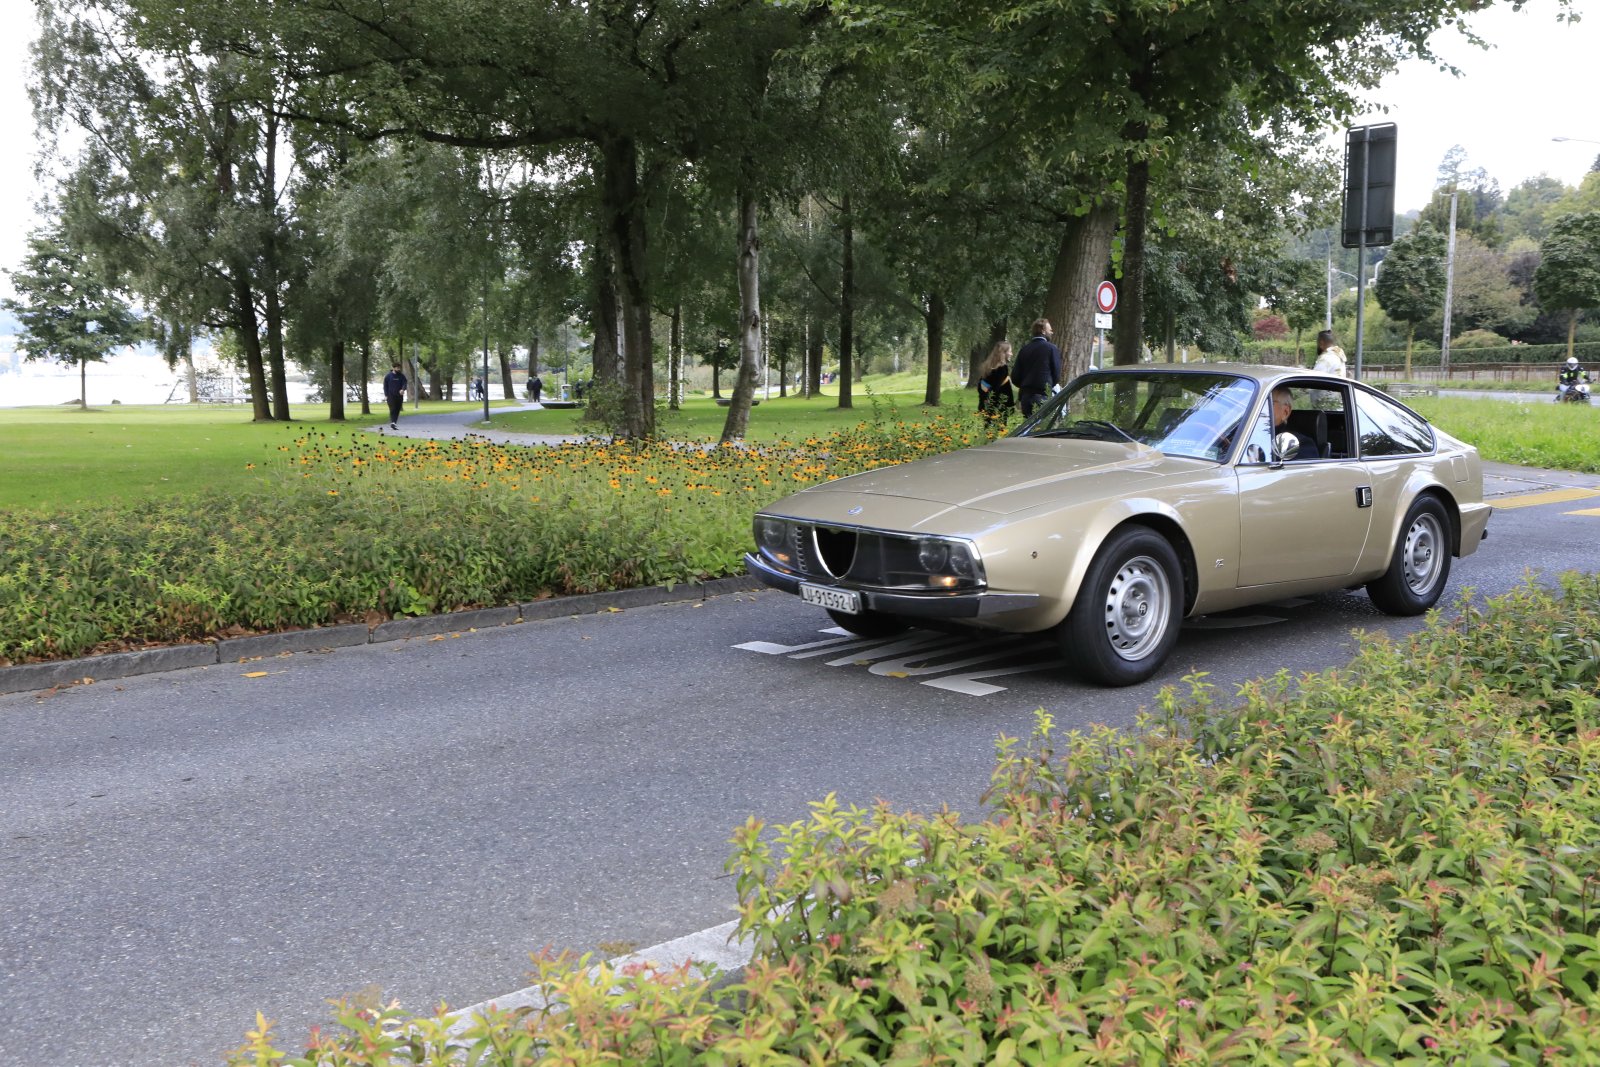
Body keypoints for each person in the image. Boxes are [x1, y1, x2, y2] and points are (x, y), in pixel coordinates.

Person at [1011, 318, 1062, 417]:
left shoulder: (1024, 349)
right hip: (1042, 395)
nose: (1052, 332)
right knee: (1042, 425)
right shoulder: (1051, 348)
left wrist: (1025, 386)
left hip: (1025, 397)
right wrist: (1048, 386)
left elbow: (1015, 376)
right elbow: (1056, 374)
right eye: (1050, 330)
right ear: (1043, 330)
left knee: (1028, 425)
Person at [1271, 386, 1318, 461]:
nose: (1259, 408)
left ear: (1285, 412)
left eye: (1268, 402)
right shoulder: (1252, 433)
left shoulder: (1300, 445)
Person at [976, 341, 1015, 421]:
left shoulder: (988, 368)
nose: (1011, 354)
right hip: (999, 408)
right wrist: (1009, 406)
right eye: (1010, 351)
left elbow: (982, 386)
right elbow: (1001, 390)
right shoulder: (1002, 369)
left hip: (987, 406)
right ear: (1003, 353)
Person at [382, 362, 407, 430]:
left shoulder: (401, 376)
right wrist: (386, 395)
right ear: (393, 368)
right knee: (392, 409)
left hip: (399, 396)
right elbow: (385, 386)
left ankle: (394, 423)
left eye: (399, 368)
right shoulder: (388, 376)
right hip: (390, 396)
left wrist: (403, 389)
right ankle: (393, 422)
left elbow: (405, 383)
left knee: (397, 409)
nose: (398, 369)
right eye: (397, 368)